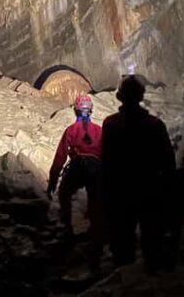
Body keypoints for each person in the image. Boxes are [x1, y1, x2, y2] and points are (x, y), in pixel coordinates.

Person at [102, 74, 176, 271]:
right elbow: (168, 163)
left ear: (120, 97)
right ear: (142, 96)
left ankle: (123, 282)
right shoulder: (155, 125)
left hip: (121, 192)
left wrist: (105, 194)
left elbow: (106, 162)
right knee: (152, 242)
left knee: (122, 244)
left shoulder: (110, 125)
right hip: (149, 190)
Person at [47, 94, 104, 265]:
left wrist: (52, 181)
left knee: (65, 193)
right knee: (96, 202)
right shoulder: (99, 130)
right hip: (96, 166)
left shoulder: (71, 130)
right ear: (91, 111)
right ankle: (97, 237)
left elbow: (60, 157)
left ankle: (67, 228)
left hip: (79, 165)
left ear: (75, 110)